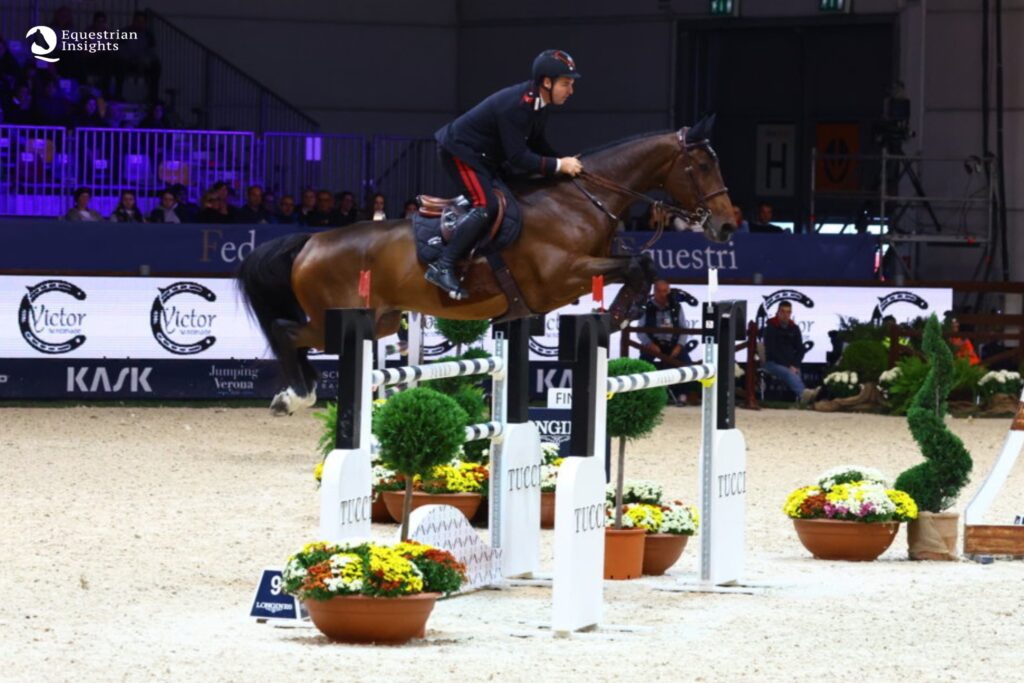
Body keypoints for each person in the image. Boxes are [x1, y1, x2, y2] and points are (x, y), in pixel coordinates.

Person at [428, 49, 584, 299]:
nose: (571, 91)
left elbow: (536, 142)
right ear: (547, 82)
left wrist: (566, 162)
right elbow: (518, 157)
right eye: (566, 84)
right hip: (460, 151)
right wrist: (557, 166)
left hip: (485, 156)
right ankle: (442, 266)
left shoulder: (539, 104)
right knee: (486, 204)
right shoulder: (517, 107)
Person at [638, 280, 691, 406]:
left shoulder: (676, 306)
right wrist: (649, 344)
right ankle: (644, 397)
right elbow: (640, 330)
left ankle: (681, 395)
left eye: (666, 291)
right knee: (642, 366)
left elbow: (684, 328)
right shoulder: (647, 306)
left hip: (673, 344)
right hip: (653, 344)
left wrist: (679, 346)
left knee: (688, 366)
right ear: (654, 292)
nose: (663, 294)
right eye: (660, 291)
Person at [763, 300, 817, 404]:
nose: (785, 315)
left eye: (788, 312)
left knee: (795, 372)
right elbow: (772, 351)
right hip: (773, 363)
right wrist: (789, 366)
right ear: (778, 312)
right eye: (783, 312)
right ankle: (805, 395)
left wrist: (795, 364)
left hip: (791, 364)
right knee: (789, 373)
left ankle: (803, 397)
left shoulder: (794, 328)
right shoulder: (770, 328)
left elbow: (800, 349)